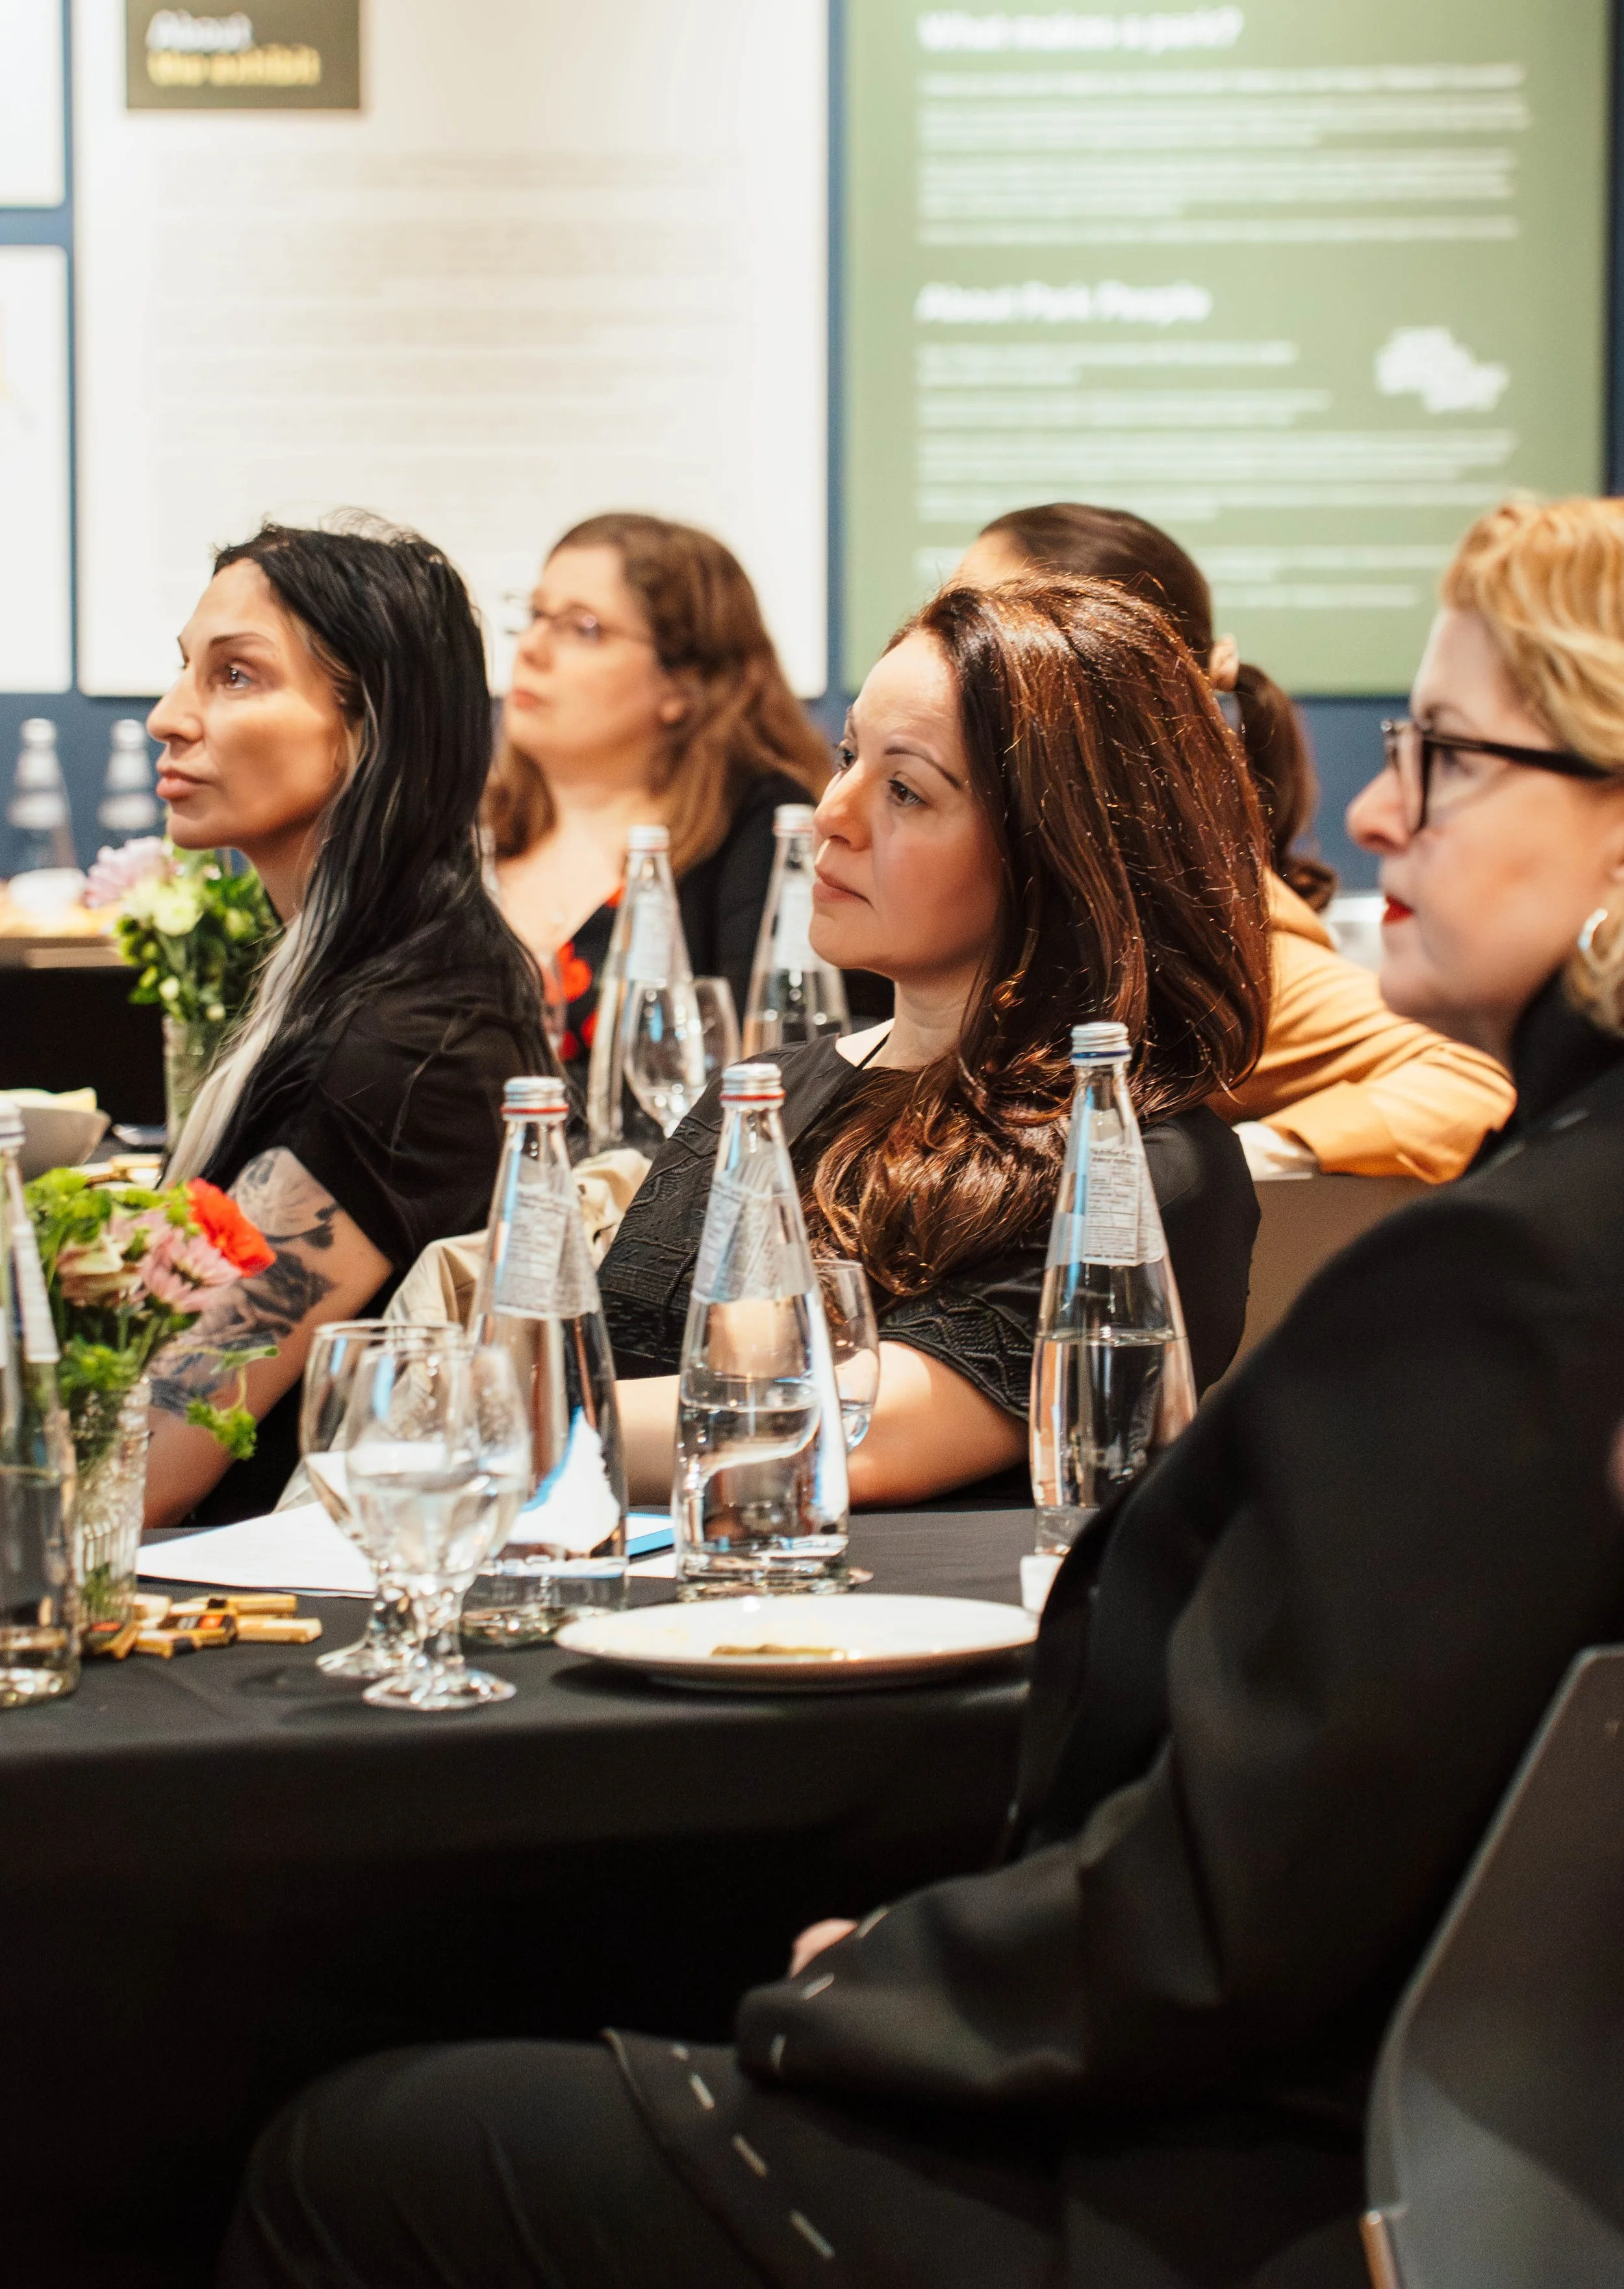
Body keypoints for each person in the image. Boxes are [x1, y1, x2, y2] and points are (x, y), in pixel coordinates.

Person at [221, 496, 1624, 2289]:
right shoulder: (795, 1082)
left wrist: (864, 1984)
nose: (1364, 808)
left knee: (338, 2142)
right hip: (1304, 2116)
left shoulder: (1500, 1273)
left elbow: (1231, 1907)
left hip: (1186, 2175)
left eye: (1438, 754)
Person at [597, 570, 1270, 1510]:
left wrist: (492, 1419)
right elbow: (599, 1364)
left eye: (905, 790)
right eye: (848, 758)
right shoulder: (761, 1094)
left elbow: (832, 1438)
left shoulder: (1139, 1168)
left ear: (1053, 853)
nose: (832, 812)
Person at [143, 521, 552, 1530]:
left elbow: (153, 1459)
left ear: (369, 730)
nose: (168, 717)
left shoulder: (400, 1051)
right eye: (187, 670)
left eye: (236, 677)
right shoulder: (385, 977)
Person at [961, 502, 1515, 1182]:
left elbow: (1467, 1080)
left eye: (989, 635)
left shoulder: (1203, 927)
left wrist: (1226, 1164)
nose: (943, 650)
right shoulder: (1002, 874)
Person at [487, 512, 861, 1065]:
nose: (533, 649)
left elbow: (772, 1066)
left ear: (684, 685)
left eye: (582, 627)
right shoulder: (471, 832)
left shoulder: (762, 835)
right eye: (536, 616)